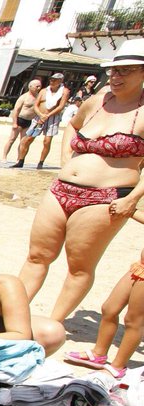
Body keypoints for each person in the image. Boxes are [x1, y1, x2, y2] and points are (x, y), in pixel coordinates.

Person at [19, 40, 144, 322]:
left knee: (79, 267)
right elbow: (73, 126)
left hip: (105, 197)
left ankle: (53, 323)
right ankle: (14, 316)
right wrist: (66, 159)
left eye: (125, 71)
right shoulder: (99, 100)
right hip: (61, 189)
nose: (116, 77)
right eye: (113, 71)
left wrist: (132, 199)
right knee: (37, 256)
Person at [64, 248, 144, 380]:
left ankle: (118, 367)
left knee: (133, 321)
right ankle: (99, 353)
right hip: (140, 266)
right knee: (109, 308)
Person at [14, 73, 69, 169]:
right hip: (39, 117)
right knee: (28, 139)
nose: (52, 82)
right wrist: (40, 115)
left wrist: (48, 115)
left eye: (54, 80)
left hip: (52, 118)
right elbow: (36, 104)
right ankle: (21, 160)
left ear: (60, 81)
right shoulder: (44, 91)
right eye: (51, 80)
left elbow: (61, 106)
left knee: (47, 141)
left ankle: (41, 162)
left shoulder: (64, 91)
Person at [3, 79, 42, 162]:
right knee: (11, 139)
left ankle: (19, 159)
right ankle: (4, 157)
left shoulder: (39, 97)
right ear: (30, 87)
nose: (38, 88)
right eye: (37, 86)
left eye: (39, 86)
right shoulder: (24, 97)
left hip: (29, 121)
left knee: (23, 142)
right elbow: (16, 110)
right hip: (20, 119)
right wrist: (14, 123)